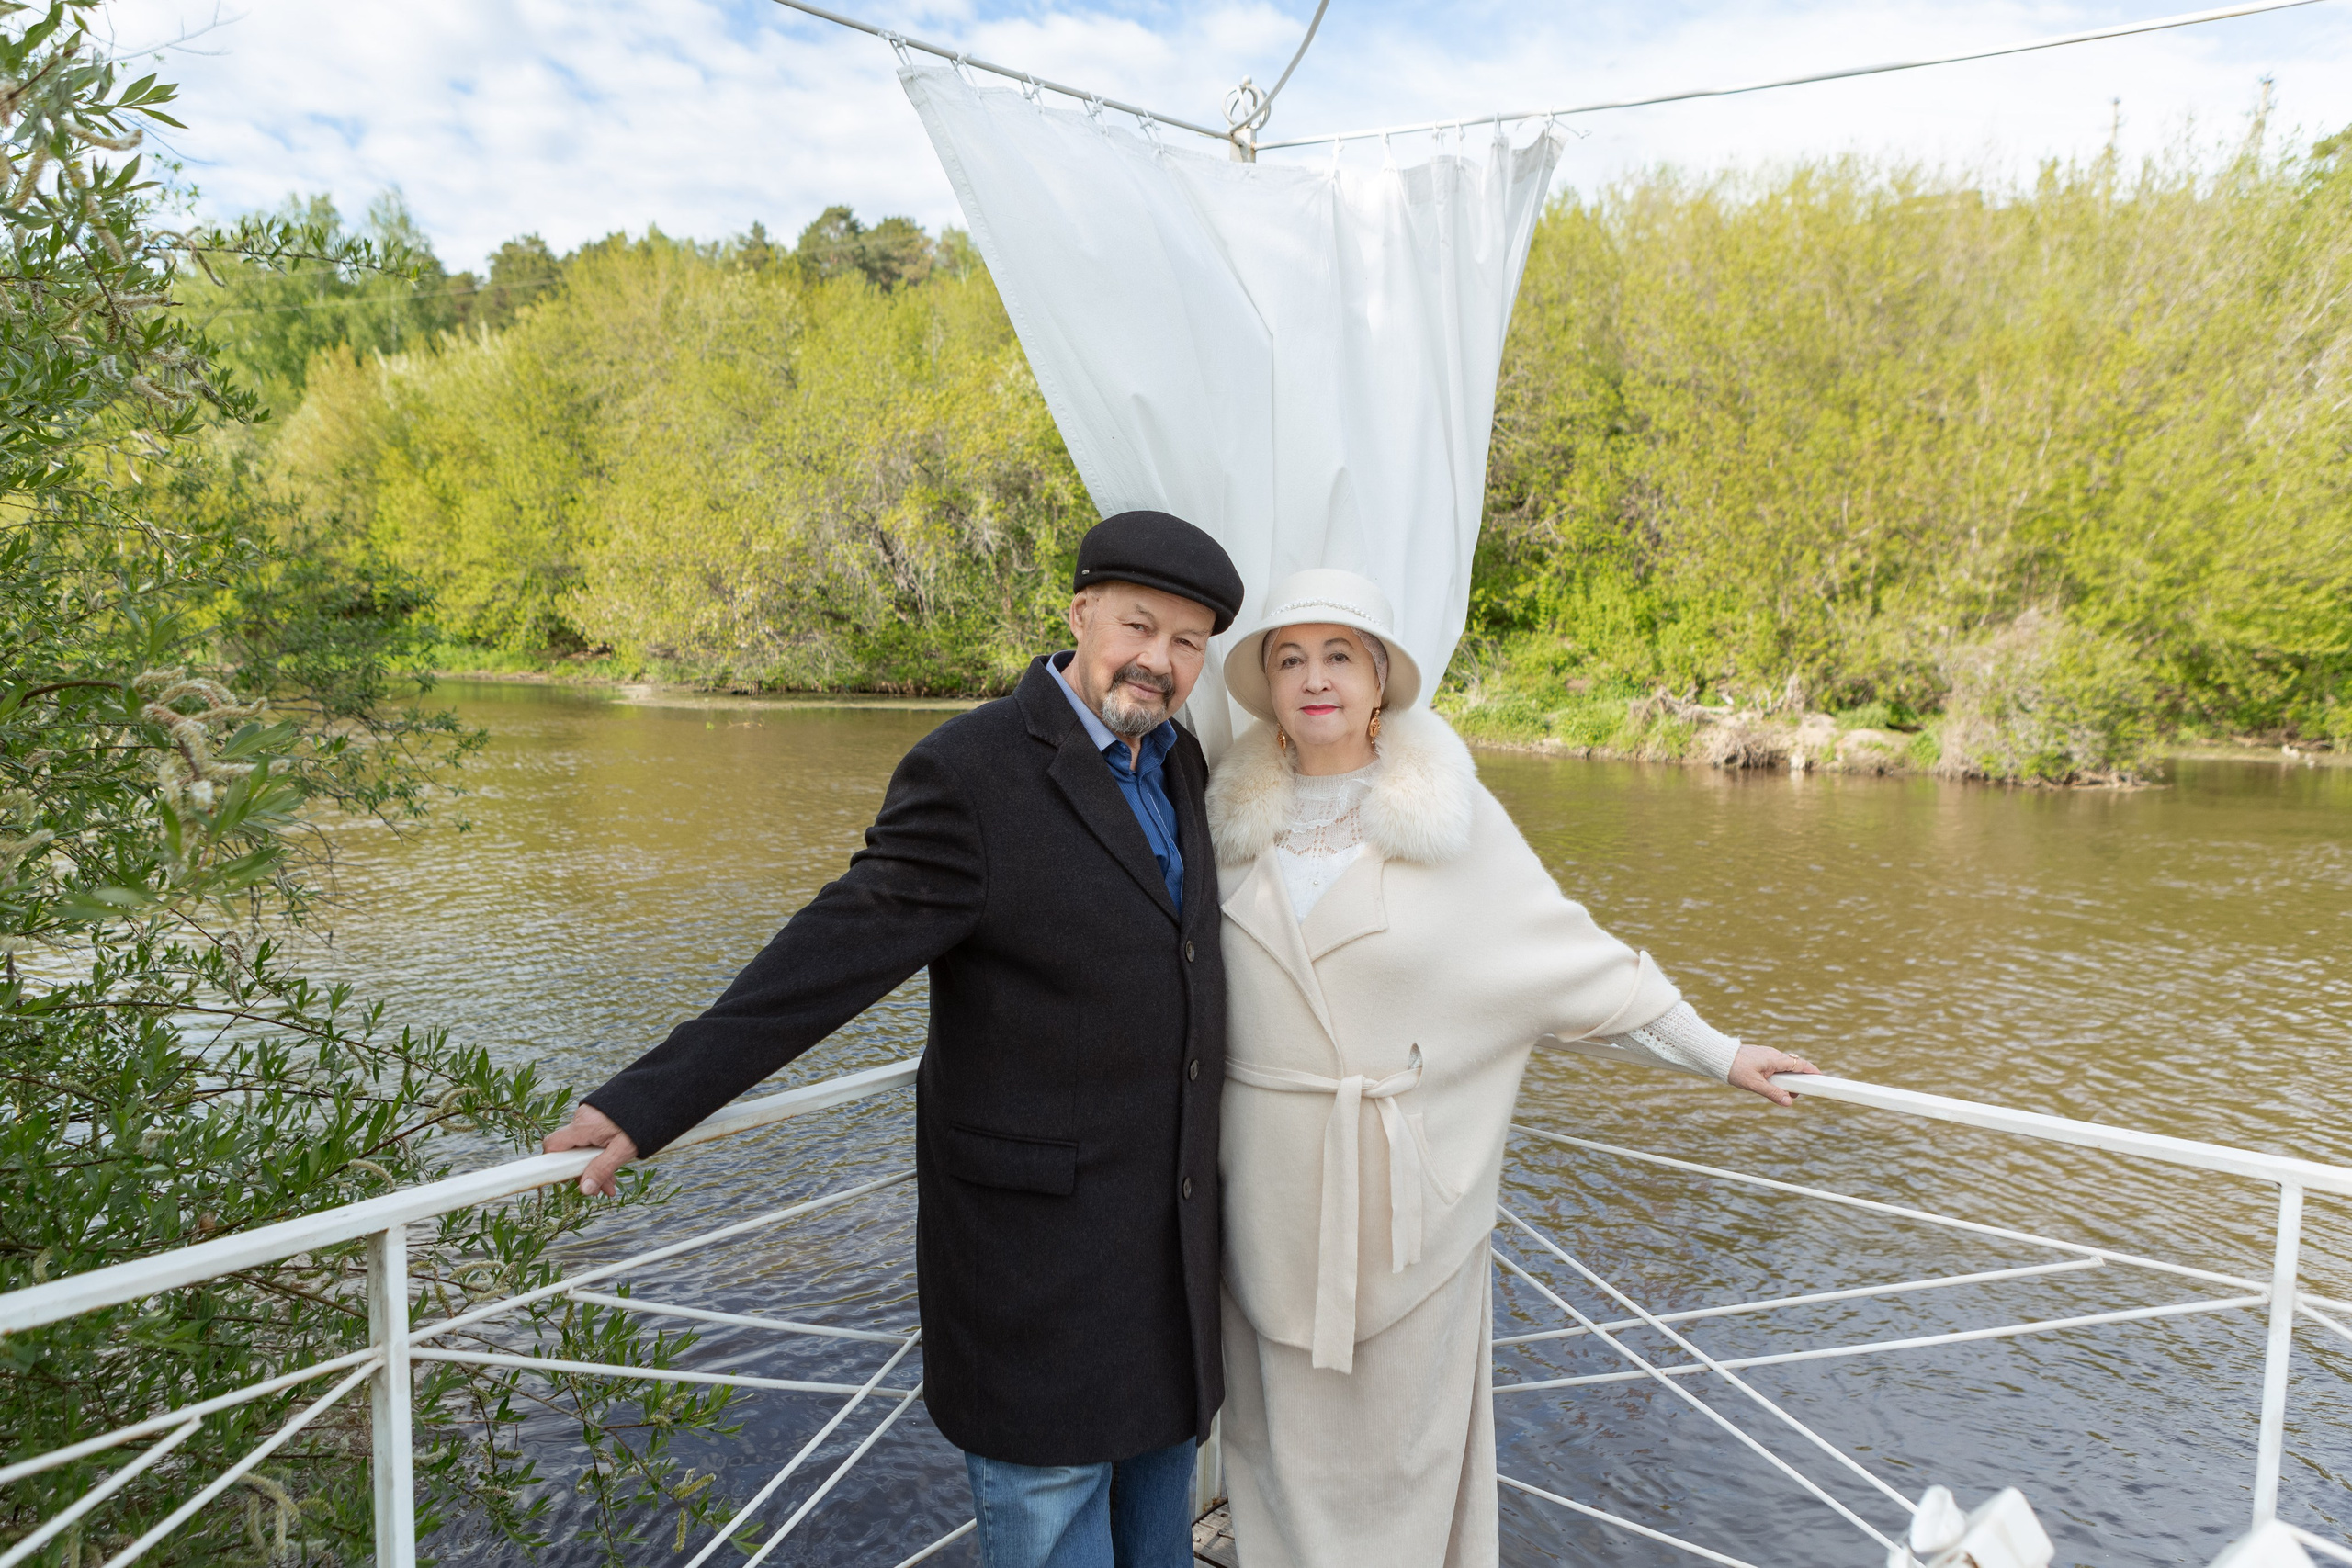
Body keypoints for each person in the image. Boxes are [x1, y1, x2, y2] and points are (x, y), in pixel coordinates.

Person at [541, 511, 1248, 1568]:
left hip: (1164, 1259)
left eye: (1188, 643)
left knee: (1154, 1532)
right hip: (1038, 1265)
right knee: (1054, 1531)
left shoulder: (1175, 760)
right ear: (1079, 613)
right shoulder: (970, 772)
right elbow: (829, 955)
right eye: (1138, 626)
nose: (1158, 660)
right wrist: (651, 1100)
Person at [1204, 568, 1820, 1568]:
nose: (1314, 679)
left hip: (1403, 1209)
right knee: (1273, 1451)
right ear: (1268, 687)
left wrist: (1719, 1054)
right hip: (1263, 1197)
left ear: (1378, 682)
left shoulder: (1451, 821)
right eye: (1290, 658)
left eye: (1339, 656)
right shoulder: (1225, 824)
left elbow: (1567, 962)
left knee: (1398, 1461)